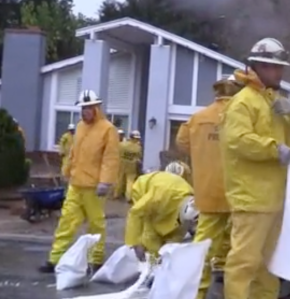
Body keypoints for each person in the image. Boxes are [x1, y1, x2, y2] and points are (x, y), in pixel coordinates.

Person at [220, 37, 290, 299]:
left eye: (280, 68)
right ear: (259, 66)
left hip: (275, 194)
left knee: (270, 256)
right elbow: (237, 141)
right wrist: (273, 148)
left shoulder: (273, 101)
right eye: (274, 68)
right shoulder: (244, 102)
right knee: (245, 255)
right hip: (251, 193)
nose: (280, 74)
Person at [175, 74, 244, 299]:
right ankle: (238, 296)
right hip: (238, 190)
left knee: (203, 243)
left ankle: (198, 292)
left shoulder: (198, 118)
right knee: (240, 242)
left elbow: (182, 143)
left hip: (207, 190)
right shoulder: (242, 116)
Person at [39, 90, 120, 274]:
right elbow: (74, 152)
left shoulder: (108, 129)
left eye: (88, 108)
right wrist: (66, 171)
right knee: (66, 221)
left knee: (96, 224)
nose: (85, 112)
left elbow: (111, 158)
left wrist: (105, 182)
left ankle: (96, 260)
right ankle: (55, 259)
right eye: (83, 109)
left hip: (94, 187)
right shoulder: (80, 127)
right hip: (76, 183)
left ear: (96, 108)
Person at [125, 170, 198, 262]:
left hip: (168, 199)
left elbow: (179, 232)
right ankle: (151, 264)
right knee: (151, 236)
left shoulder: (192, 199)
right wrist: (135, 242)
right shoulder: (157, 198)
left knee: (173, 243)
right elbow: (135, 213)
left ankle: (164, 265)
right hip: (144, 188)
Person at [115, 130, 143, 200]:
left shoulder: (122, 144)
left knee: (119, 179)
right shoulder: (138, 147)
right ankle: (129, 197)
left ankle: (116, 194)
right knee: (130, 181)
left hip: (121, 163)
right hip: (132, 165)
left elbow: (117, 153)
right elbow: (139, 157)